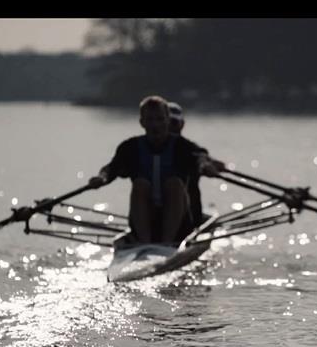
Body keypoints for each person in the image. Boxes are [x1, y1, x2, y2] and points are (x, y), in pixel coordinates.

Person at [88, 96, 220, 244]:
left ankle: (167, 244)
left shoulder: (183, 147)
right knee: (140, 184)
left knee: (174, 183)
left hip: (181, 227)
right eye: (150, 120)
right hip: (145, 221)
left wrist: (205, 166)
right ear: (142, 122)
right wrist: (102, 178)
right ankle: (145, 243)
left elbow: (200, 157)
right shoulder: (130, 147)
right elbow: (111, 168)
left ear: (167, 120)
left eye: (159, 119)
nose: (155, 125)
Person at [167, 101, 224, 226]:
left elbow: (200, 156)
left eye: (173, 123)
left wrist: (206, 164)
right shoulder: (144, 149)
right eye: (165, 123)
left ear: (182, 124)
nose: (169, 128)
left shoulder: (190, 149)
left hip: (190, 220)